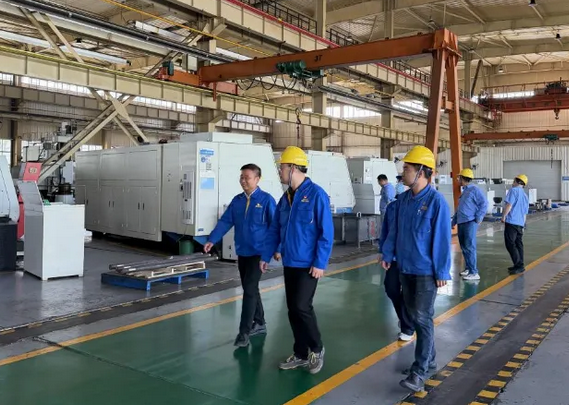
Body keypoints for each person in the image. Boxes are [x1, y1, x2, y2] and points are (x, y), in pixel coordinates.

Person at [380, 145, 451, 393]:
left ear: (422, 171)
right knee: (414, 315)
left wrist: (442, 271)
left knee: (422, 318)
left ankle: (419, 371)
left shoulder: (436, 202)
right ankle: (428, 360)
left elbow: (442, 239)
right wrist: (388, 254)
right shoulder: (404, 201)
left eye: (407, 168)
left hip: (425, 272)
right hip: (405, 267)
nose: (403, 173)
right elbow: (395, 231)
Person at [260, 146, 334, 374]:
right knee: (293, 309)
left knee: (302, 306)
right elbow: (275, 229)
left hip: (308, 264)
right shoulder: (286, 198)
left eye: (281, 167)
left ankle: (317, 348)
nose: (279, 171)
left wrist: (320, 262)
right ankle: (301, 353)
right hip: (290, 262)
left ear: (292, 168)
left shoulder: (316, 195)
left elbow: (326, 232)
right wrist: (266, 255)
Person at [204, 163, 277, 348]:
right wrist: (212, 239)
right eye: (241, 177)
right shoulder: (237, 201)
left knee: (249, 290)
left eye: (247, 178)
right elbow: (225, 221)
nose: (243, 181)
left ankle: (244, 332)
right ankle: (260, 322)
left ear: (257, 179)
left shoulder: (266, 200)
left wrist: (276, 250)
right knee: (250, 288)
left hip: (259, 253)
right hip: (242, 252)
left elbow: (276, 227)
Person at [378, 200, 414, 342]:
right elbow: (386, 230)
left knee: (408, 292)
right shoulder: (393, 207)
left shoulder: (423, 204)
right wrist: (383, 251)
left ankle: (407, 327)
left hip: (412, 257)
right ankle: (405, 319)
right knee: (391, 288)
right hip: (394, 257)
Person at [452, 168, 488, 281]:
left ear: (463, 178)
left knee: (469, 247)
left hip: (470, 222)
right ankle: (468, 268)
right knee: (464, 246)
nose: (458, 179)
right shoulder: (465, 191)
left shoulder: (474, 190)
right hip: (462, 222)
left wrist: (479, 217)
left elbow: (484, 203)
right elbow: (460, 209)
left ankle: (474, 272)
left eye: (459, 177)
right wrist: (453, 221)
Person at [501, 174, 529, 275]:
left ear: (517, 181)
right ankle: (520, 264)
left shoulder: (513, 191)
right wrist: (523, 224)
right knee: (518, 244)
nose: (513, 183)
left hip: (512, 222)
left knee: (510, 244)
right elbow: (525, 212)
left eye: (514, 181)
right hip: (520, 223)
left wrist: (504, 216)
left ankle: (518, 265)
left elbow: (509, 205)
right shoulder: (525, 195)